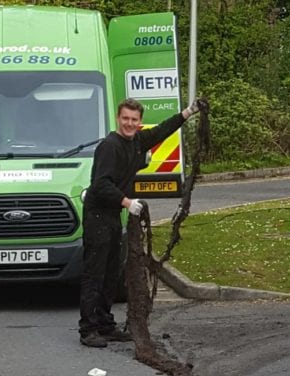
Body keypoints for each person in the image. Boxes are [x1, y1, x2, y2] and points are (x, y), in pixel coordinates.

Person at [79, 96, 206, 347]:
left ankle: (105, 324)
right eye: (125, 118)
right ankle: (88, 329)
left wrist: (188, 112)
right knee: (95, 273)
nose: (129, 123)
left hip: (113, 215)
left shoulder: (137, 141)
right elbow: (101, 184)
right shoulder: (109, 146)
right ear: (118, 118)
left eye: (134, 120)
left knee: (111, 272)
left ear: (140, 122)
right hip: (97, 216)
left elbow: (162, 131)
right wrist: (128, 202)